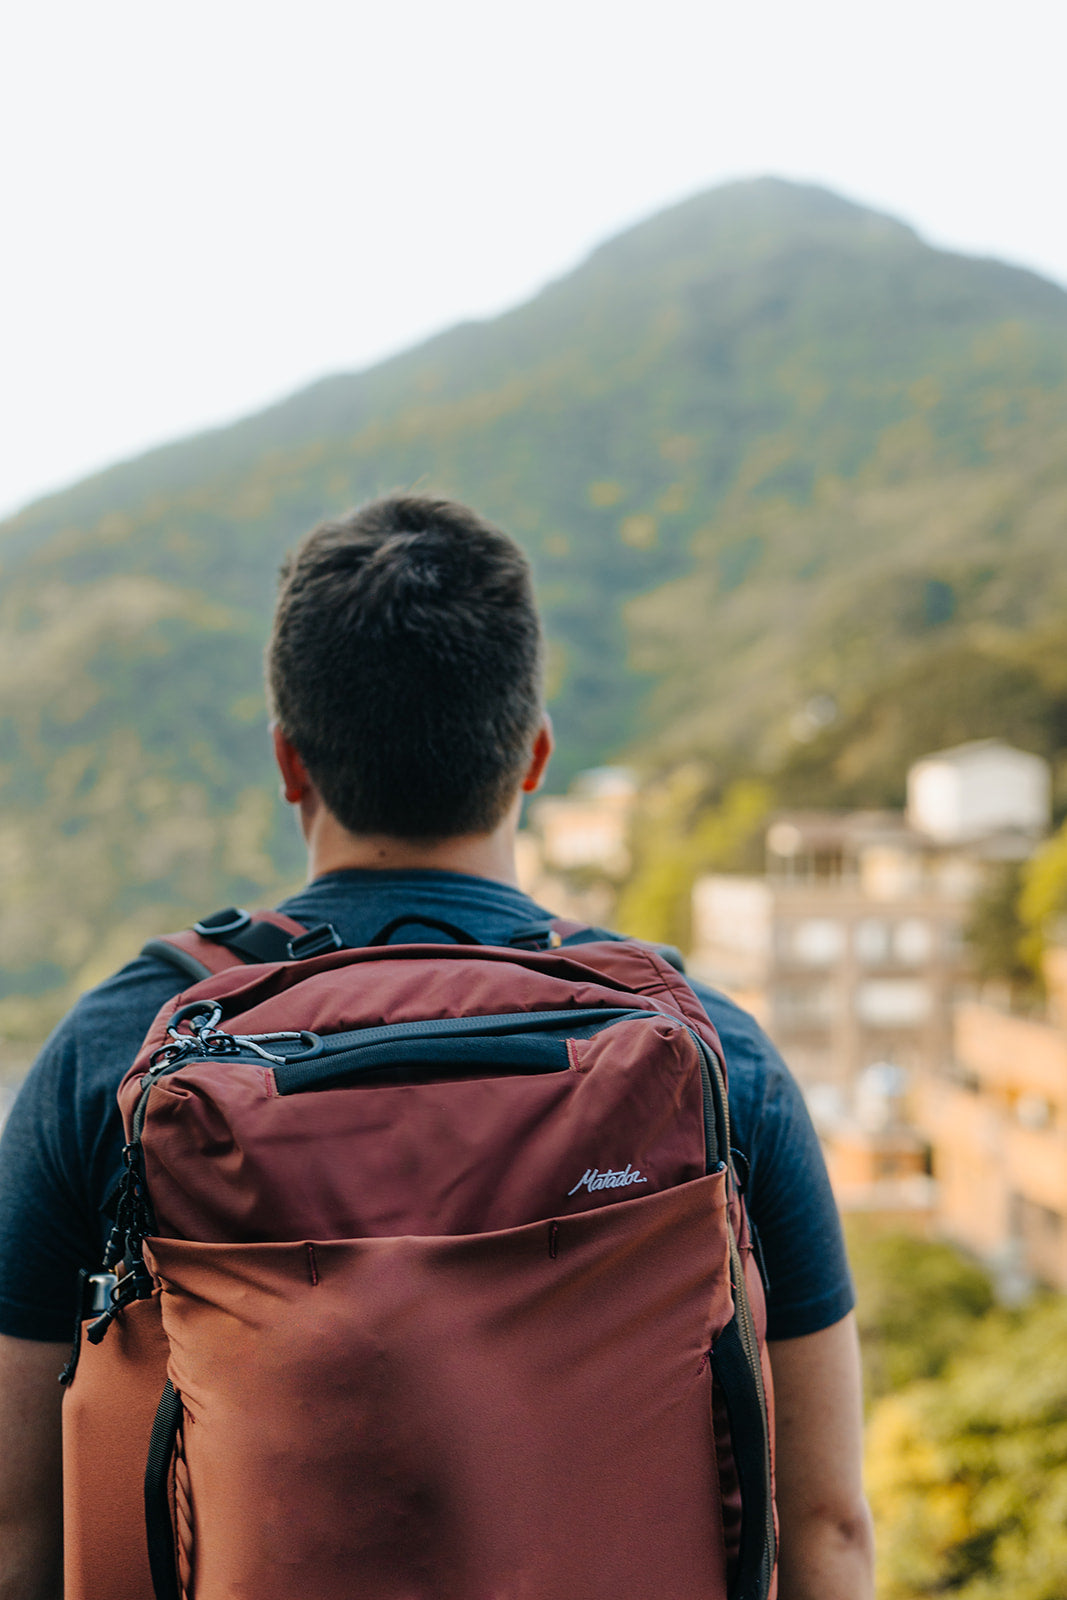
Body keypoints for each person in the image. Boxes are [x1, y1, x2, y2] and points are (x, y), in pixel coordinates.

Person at [0, 494, 874, 1600]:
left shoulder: (116, 1048)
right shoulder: (715, 1057)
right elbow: (829, 1529)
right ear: (533, 756)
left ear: (287, 760)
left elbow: (15, 1528)